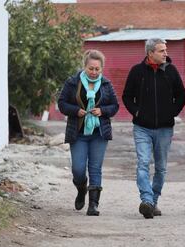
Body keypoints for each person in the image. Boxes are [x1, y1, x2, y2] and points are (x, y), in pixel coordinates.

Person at [122, 38, 185, 219]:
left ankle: (153, 201)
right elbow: (127, 96)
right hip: (142, 127)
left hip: (165, 129)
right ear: (150, 53)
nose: (166, 53)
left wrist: (171, 113)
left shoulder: (171, 71)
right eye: (161, 51)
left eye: (166, 50)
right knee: (143, 163)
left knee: (161, 168)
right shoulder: (137, 72)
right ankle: (147, 200)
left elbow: (181, 96)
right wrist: (136, 113)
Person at [58, 49, 119, 216]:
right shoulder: (73, 82)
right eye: (91, 68)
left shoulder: (106, 84)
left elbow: (115, 106)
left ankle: (93, 205)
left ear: (102, 69)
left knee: (95, 167)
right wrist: (76, 110)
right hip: (78, 133)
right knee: (78, 169)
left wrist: (103, 111)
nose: (93, 72)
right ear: (84, 66)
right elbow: (62, 103)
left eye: (97, 69)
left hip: (99, 132)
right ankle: (81, 188)